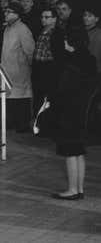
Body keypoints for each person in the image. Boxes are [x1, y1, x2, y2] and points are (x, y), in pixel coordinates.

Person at [49, 27, 97, 200]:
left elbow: (62, 90)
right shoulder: (90, 60)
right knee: (79, 152)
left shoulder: (69, 63)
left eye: (66, 40)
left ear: (72, 43)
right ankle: (80, 188)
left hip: (69, 113)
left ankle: (72, 189)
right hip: (84, 113)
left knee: (69, 151)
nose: (63, 43)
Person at [1, 0, 35, 133]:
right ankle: (11, 122)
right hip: (8, 69)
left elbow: (30, 51)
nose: (6, 14)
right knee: (10, 98)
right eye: (6, 11)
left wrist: (27, 67)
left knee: (21, 98)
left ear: (17, 14)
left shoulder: (23, 29)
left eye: (9, 12)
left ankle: (22, 125)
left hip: (20, 70)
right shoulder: (8, 28)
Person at [32, 7, 64, 115]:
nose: (43, 19)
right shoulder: (39, 31)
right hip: (38, 68)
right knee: (38, 97)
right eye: (42, 17)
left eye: (47, 17)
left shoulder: (58, 33)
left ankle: (48, 123)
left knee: (50, 99)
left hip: (50, 69)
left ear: (54, 19)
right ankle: (38, 122)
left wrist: (55, 71)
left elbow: (59, 55)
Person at [82, 8, 101, 73]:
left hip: (93, 70)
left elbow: (95, 56)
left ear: (96, 19)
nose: (86, 18)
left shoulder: (98, 34)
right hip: (79, 68)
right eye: (85, 15)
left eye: (90, 16)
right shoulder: (80, 31)